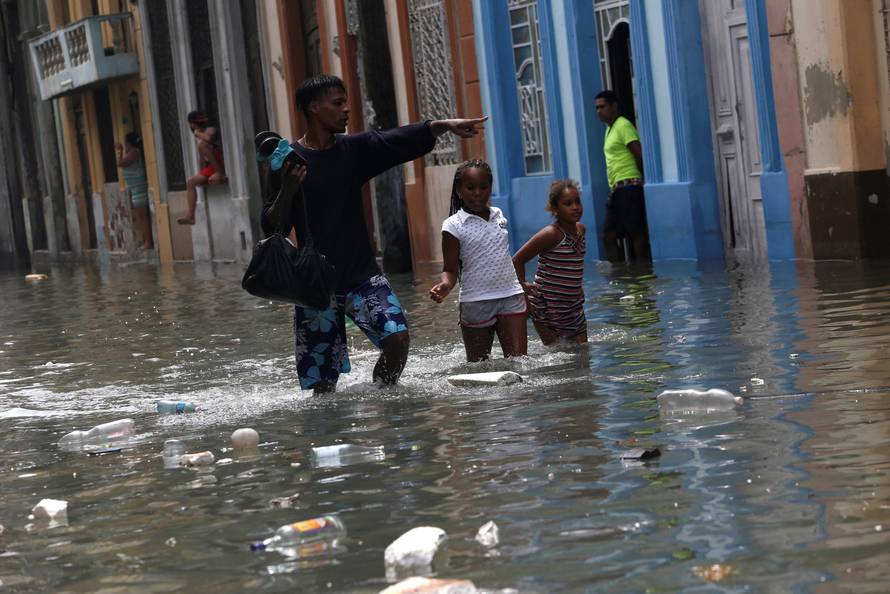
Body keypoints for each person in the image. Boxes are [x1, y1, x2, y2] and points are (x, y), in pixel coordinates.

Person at [262, 74, 486, 394]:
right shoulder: (285, 162)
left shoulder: (353, 150)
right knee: (324, 385)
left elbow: (395, 140)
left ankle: (384, 398)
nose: (346, 110)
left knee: (397, 339)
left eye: (345, 102)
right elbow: (273, 227)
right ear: (314, 108)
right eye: (337, 103)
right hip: (315, 285)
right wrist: (287, 188)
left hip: (362, 274)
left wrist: (443, 125)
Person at [429, 160, 528, 362]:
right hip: (476, 301)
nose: (477, 193)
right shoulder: (453, 225)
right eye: (470, 187)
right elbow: (450, 268)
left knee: (521, 363)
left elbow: (503, 256)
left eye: (484, 187)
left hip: (510, 295)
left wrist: (522, 284)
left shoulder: (498, 215)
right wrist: (447, 285)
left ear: (490, 188)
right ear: (459, 190)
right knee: (478, 368)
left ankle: (520, 396)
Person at [512, 179, 587, 345]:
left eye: (577, 202)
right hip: (547, 308)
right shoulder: (551, 234)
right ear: (555, 209)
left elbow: (574, 263)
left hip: (574, 306)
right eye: (568, 203)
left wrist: (576, 286)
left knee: (583, 354)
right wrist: (523, 289)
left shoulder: (581, 230)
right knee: (558, 354)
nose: (575, 207)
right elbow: (517, 260)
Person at [594, 90, 649, 262]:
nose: (599, 111)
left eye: (602, 106)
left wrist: (642, 181)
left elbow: (638, 153)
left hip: (629, 184)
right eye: (596, 108)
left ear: (614, 106)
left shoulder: (623, 125)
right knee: (608, 236)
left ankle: (642, 270)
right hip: (617, 188)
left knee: (635, 231)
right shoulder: (609, 129)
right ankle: (620, 275)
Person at [177, 110, 227, 225]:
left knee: (201, 144)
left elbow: (209, 139)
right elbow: (203, 158)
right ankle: (190, 216)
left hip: (220, 164)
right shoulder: (200, 137)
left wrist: (197, 134)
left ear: (192, 124)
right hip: (211, 168)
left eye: (190, 124)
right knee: (190, 182)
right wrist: (202, 174)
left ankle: (220, 173)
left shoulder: (210, 130)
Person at [115, 132, 153, 250]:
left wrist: (119, 151)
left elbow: (120, 163)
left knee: (143, 217)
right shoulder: (132, 153)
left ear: (128, 143)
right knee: (141, 217)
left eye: (126, 143)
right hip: (136, 189)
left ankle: (148, 242)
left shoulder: (134, 153)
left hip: (139, 189)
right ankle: (146, 240)